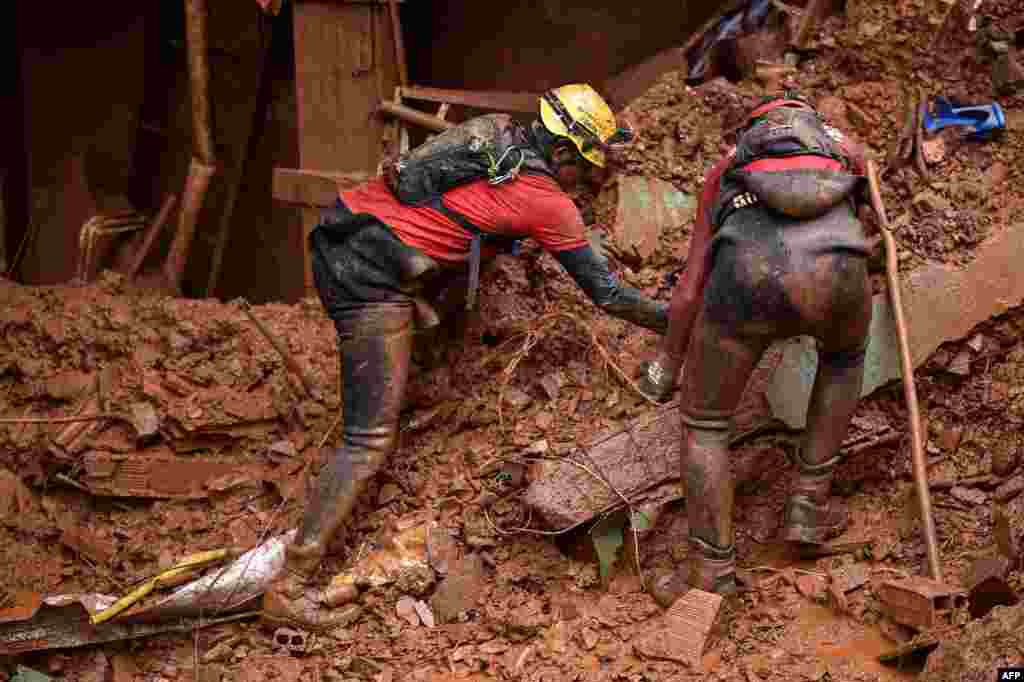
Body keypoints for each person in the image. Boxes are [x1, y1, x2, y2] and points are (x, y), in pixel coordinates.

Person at [262, 84, 668, 630]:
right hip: (370, 277)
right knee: (368, 438)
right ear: (565, 153)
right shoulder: (547, 201)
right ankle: (292, 585)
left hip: (346, 233)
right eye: (585, 166)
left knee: (428, 316)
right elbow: (610, 295)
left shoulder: (494, 136)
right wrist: (680, 318)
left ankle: (416, 328)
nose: (586, 180)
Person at [637, 93, 874, 603]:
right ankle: (808, 511)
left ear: (751, 130)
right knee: (843, 361)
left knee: (705, 423)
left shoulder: (727, 168)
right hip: (839, 272)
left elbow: (689, 288)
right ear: (812, 121)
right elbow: (876, 227)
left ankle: (711, 570)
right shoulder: (846, 151)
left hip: (747, 277)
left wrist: (666, 364)